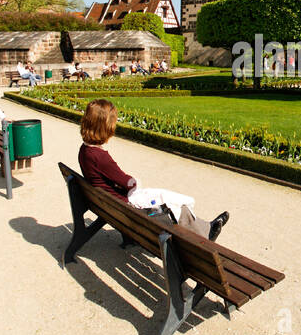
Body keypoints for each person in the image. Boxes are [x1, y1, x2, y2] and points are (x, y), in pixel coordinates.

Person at [77, 99, 229, 240]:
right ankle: (205, 234)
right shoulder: (100, 156)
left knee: (165, 197)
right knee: (172, 204)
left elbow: (105, 179)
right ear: (106, 127)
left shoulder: (84, 150)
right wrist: (134, 180)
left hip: (112, 207)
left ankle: (206, 227)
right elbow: (126, 182)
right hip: (131, 210)